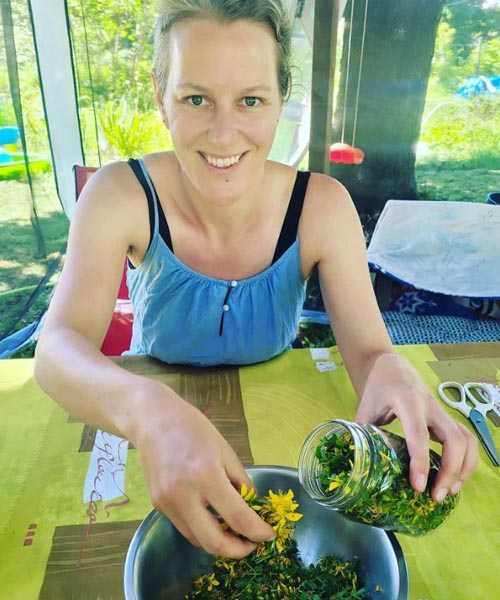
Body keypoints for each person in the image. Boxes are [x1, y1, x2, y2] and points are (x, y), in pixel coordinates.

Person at [34, 0, 478, 559]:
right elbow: (56, 348)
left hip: (283, 433)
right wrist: (148, 412)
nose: (224, 135)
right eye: (196, 98)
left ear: (281, 100)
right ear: (160, 96)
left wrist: (394, 370)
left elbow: (369, 349)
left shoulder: (323, 207)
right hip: (149, 423)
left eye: (250, 101)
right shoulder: (118, 195)